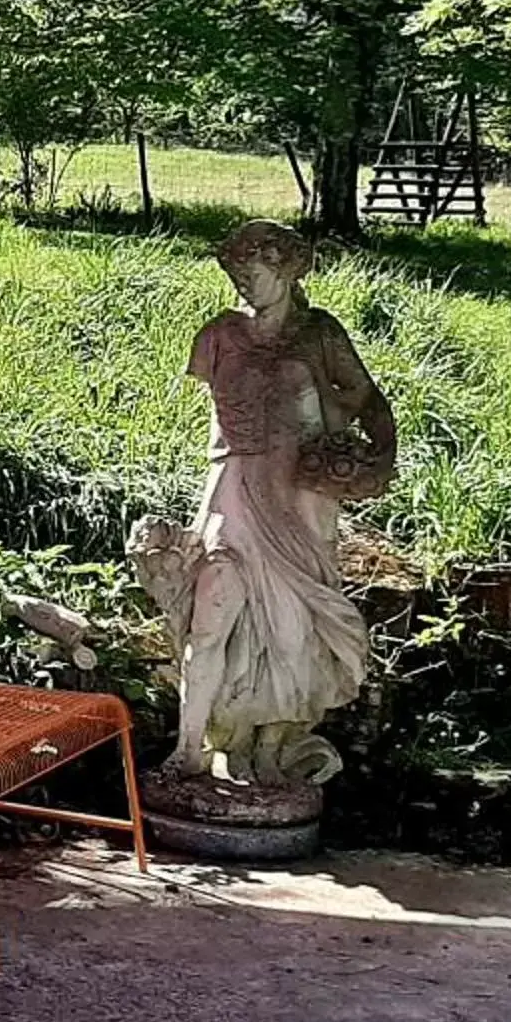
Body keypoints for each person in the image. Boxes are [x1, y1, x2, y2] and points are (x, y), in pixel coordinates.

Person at [133, 222, 394, 786]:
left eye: (252, 275)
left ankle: (273, 750)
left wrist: (377, 462)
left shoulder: (320, 335)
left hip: (300, 503)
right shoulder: (219, 336)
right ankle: (191, 749)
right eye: (235, 276)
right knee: (212, 614)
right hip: (231, 492)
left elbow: (372, 404)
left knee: (291, 628)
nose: (243, 286)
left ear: (286, 271)